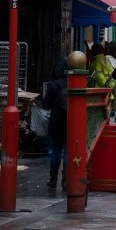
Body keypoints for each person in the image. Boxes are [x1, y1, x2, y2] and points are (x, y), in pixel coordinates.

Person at [41, 57, 68, 189]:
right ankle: (66, 180)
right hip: (72, 123)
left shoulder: (53, 85)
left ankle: (53, 180)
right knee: (69, 153)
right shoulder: (77, 83)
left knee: (55, 152)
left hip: (56, 122)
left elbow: (45, 104)